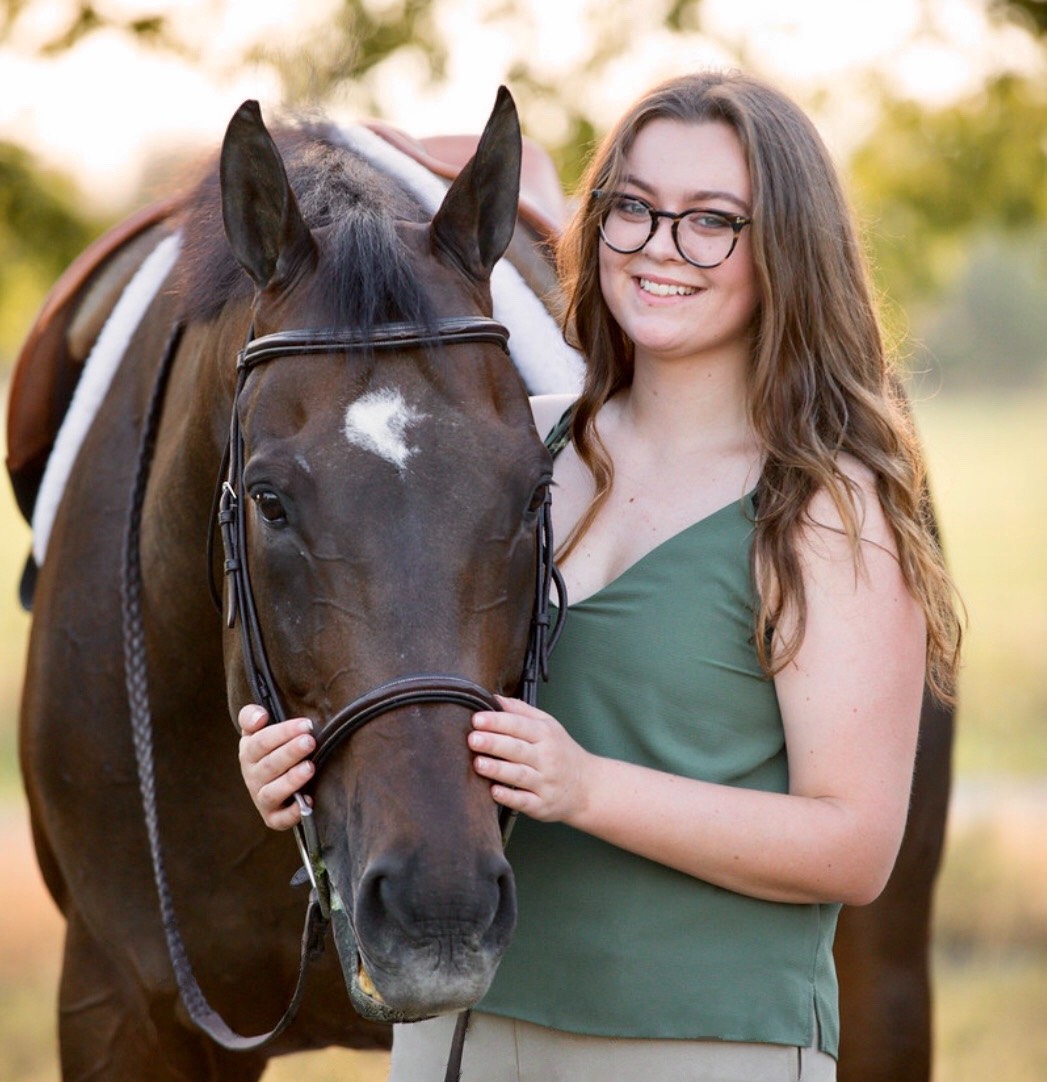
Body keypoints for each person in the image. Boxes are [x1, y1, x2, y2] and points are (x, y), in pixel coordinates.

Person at [237, 69, 962, 1081]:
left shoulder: (827, 508)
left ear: (787, 248)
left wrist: (586, 787)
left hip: (700, 1047)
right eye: (633, 208)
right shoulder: (509, 464)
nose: (662, 248)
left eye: (713, 220)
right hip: (460, 1041)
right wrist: (299, 762)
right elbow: (394, 658)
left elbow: (855, 847)